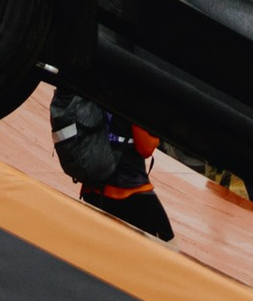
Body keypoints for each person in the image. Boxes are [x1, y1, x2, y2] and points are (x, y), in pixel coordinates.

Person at [50, 88, 173, 240]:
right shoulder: (139, 91)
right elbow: (146, 148)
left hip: (94, 189)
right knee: (169, 252)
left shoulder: (105, 80)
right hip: (129, 192)